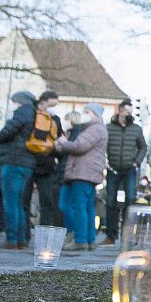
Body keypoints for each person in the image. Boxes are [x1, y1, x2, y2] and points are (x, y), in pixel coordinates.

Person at [0, 91, 37, 249]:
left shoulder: (22, 113)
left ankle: (12, 239)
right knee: (20, 204)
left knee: (10, 203)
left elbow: (6, 133)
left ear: (20, 101)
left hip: (14, 161)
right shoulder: (35, 115)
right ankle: (21, 239)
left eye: (14, 101)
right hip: (28, 163)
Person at [56, 103, 108, 252]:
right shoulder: (96, 129)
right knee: (87, 208)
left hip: (82, 172)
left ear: (95, 114)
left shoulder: (94, 129)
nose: (83, 114)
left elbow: (79, 146)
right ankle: (89, 239)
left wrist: (64, 143)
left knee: (79, 207)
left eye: (87, 112)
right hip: (86, 173)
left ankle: (80, 240)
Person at [104, 99, 147, 245]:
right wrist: (105, 162)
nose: (128, 115)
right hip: (113, 169)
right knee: (110, 201)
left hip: (129, 169)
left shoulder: (136, 128)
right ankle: (110, 235)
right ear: (120, 110)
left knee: (130, 200)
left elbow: (143, 147)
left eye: (130, 112)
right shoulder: (109, 128)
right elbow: (102, 145)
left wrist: (137, 162)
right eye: (126, 112)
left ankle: (126, 236)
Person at [23, 91, 65, 237]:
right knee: (28, 201)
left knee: (45, 202)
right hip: (36, 163)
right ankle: (26, 234)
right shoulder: (32, 115)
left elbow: (60, 139)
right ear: (45, 101)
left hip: (43, 164)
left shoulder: (55, 119)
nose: (53, 108)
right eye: (53, 104)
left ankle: (43, 235)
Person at [58, 110, 83, 246]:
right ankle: (71, 233)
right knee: (67, 205)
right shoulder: (74, 133)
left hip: (70, 174)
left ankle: (72, 233)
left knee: (66, 205)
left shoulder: (76, 133)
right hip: (68, 174)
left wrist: (63, 143)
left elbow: (73, 151)